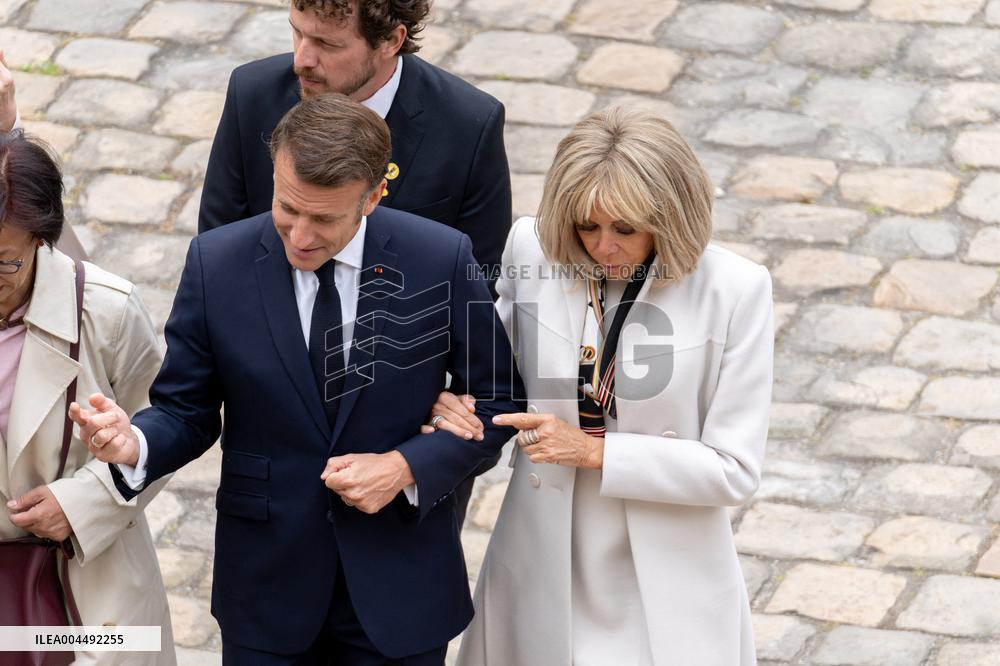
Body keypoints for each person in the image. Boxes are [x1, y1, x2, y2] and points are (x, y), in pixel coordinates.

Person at [74, 94, 522, 665]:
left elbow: (499, 400)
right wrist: (133, 442)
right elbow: (185, 410)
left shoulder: (441, 257)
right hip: (266, 587)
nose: (301, 236)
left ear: (373, 196)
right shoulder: (217, 262)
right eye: (287, 208)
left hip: (401, 586)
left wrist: (405, 467)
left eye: (325, 219)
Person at [429, 107, 774, 666]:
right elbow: (493, 375)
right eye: (586, 227)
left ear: (670, 218)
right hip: (541, 547)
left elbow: (734, 470)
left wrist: (595, 451)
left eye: (625, 230)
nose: (602, 247)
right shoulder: (531, 249)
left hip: (667, 565)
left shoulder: (736, 291)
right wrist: (453, 400)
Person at [202, 0, 511, 525]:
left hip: (403, 453)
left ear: (391, 41)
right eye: (298, 33)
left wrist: (440, 407)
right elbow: (220, 257)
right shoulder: (252, 94)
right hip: (279, 449)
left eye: (327, 44)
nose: (302, 59)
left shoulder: (468, 123)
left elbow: (479, 287)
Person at [0, 133, 174, 664]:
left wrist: (85, 503)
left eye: (4, 263)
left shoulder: (106, 312)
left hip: (88, 595)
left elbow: (167, 426)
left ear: (40, 240)